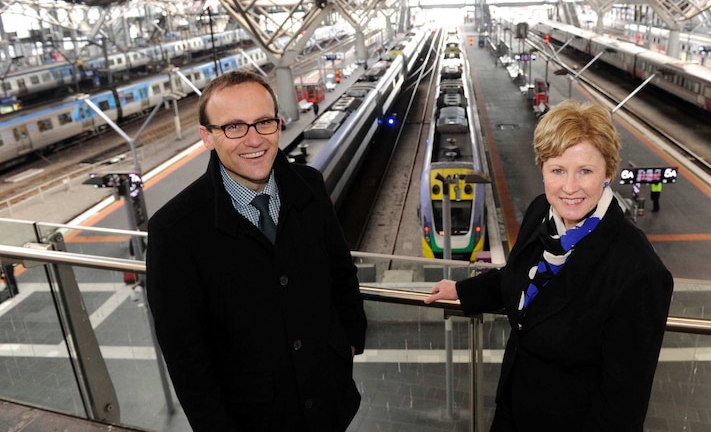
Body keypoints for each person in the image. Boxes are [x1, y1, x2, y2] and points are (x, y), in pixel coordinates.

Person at [425, 100, 673, 431]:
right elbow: (520, 276)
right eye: (557, 170)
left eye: (585, 171)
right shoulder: (541, 212)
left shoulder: (639, 272)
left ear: (608, 173)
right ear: (542, 169)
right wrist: (461, 289)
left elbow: (623, 406)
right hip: (514, 404)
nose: (569, 188)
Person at [146, 69, 367, 432]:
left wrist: (350, 342)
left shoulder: (309, 186)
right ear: (206, 137)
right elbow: (186, 356)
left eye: (263, 122)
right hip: (252, 419)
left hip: (330, 402)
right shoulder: (174, 230)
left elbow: (341, 269)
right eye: (234, 127)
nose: (253, 140)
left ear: (279, 125)